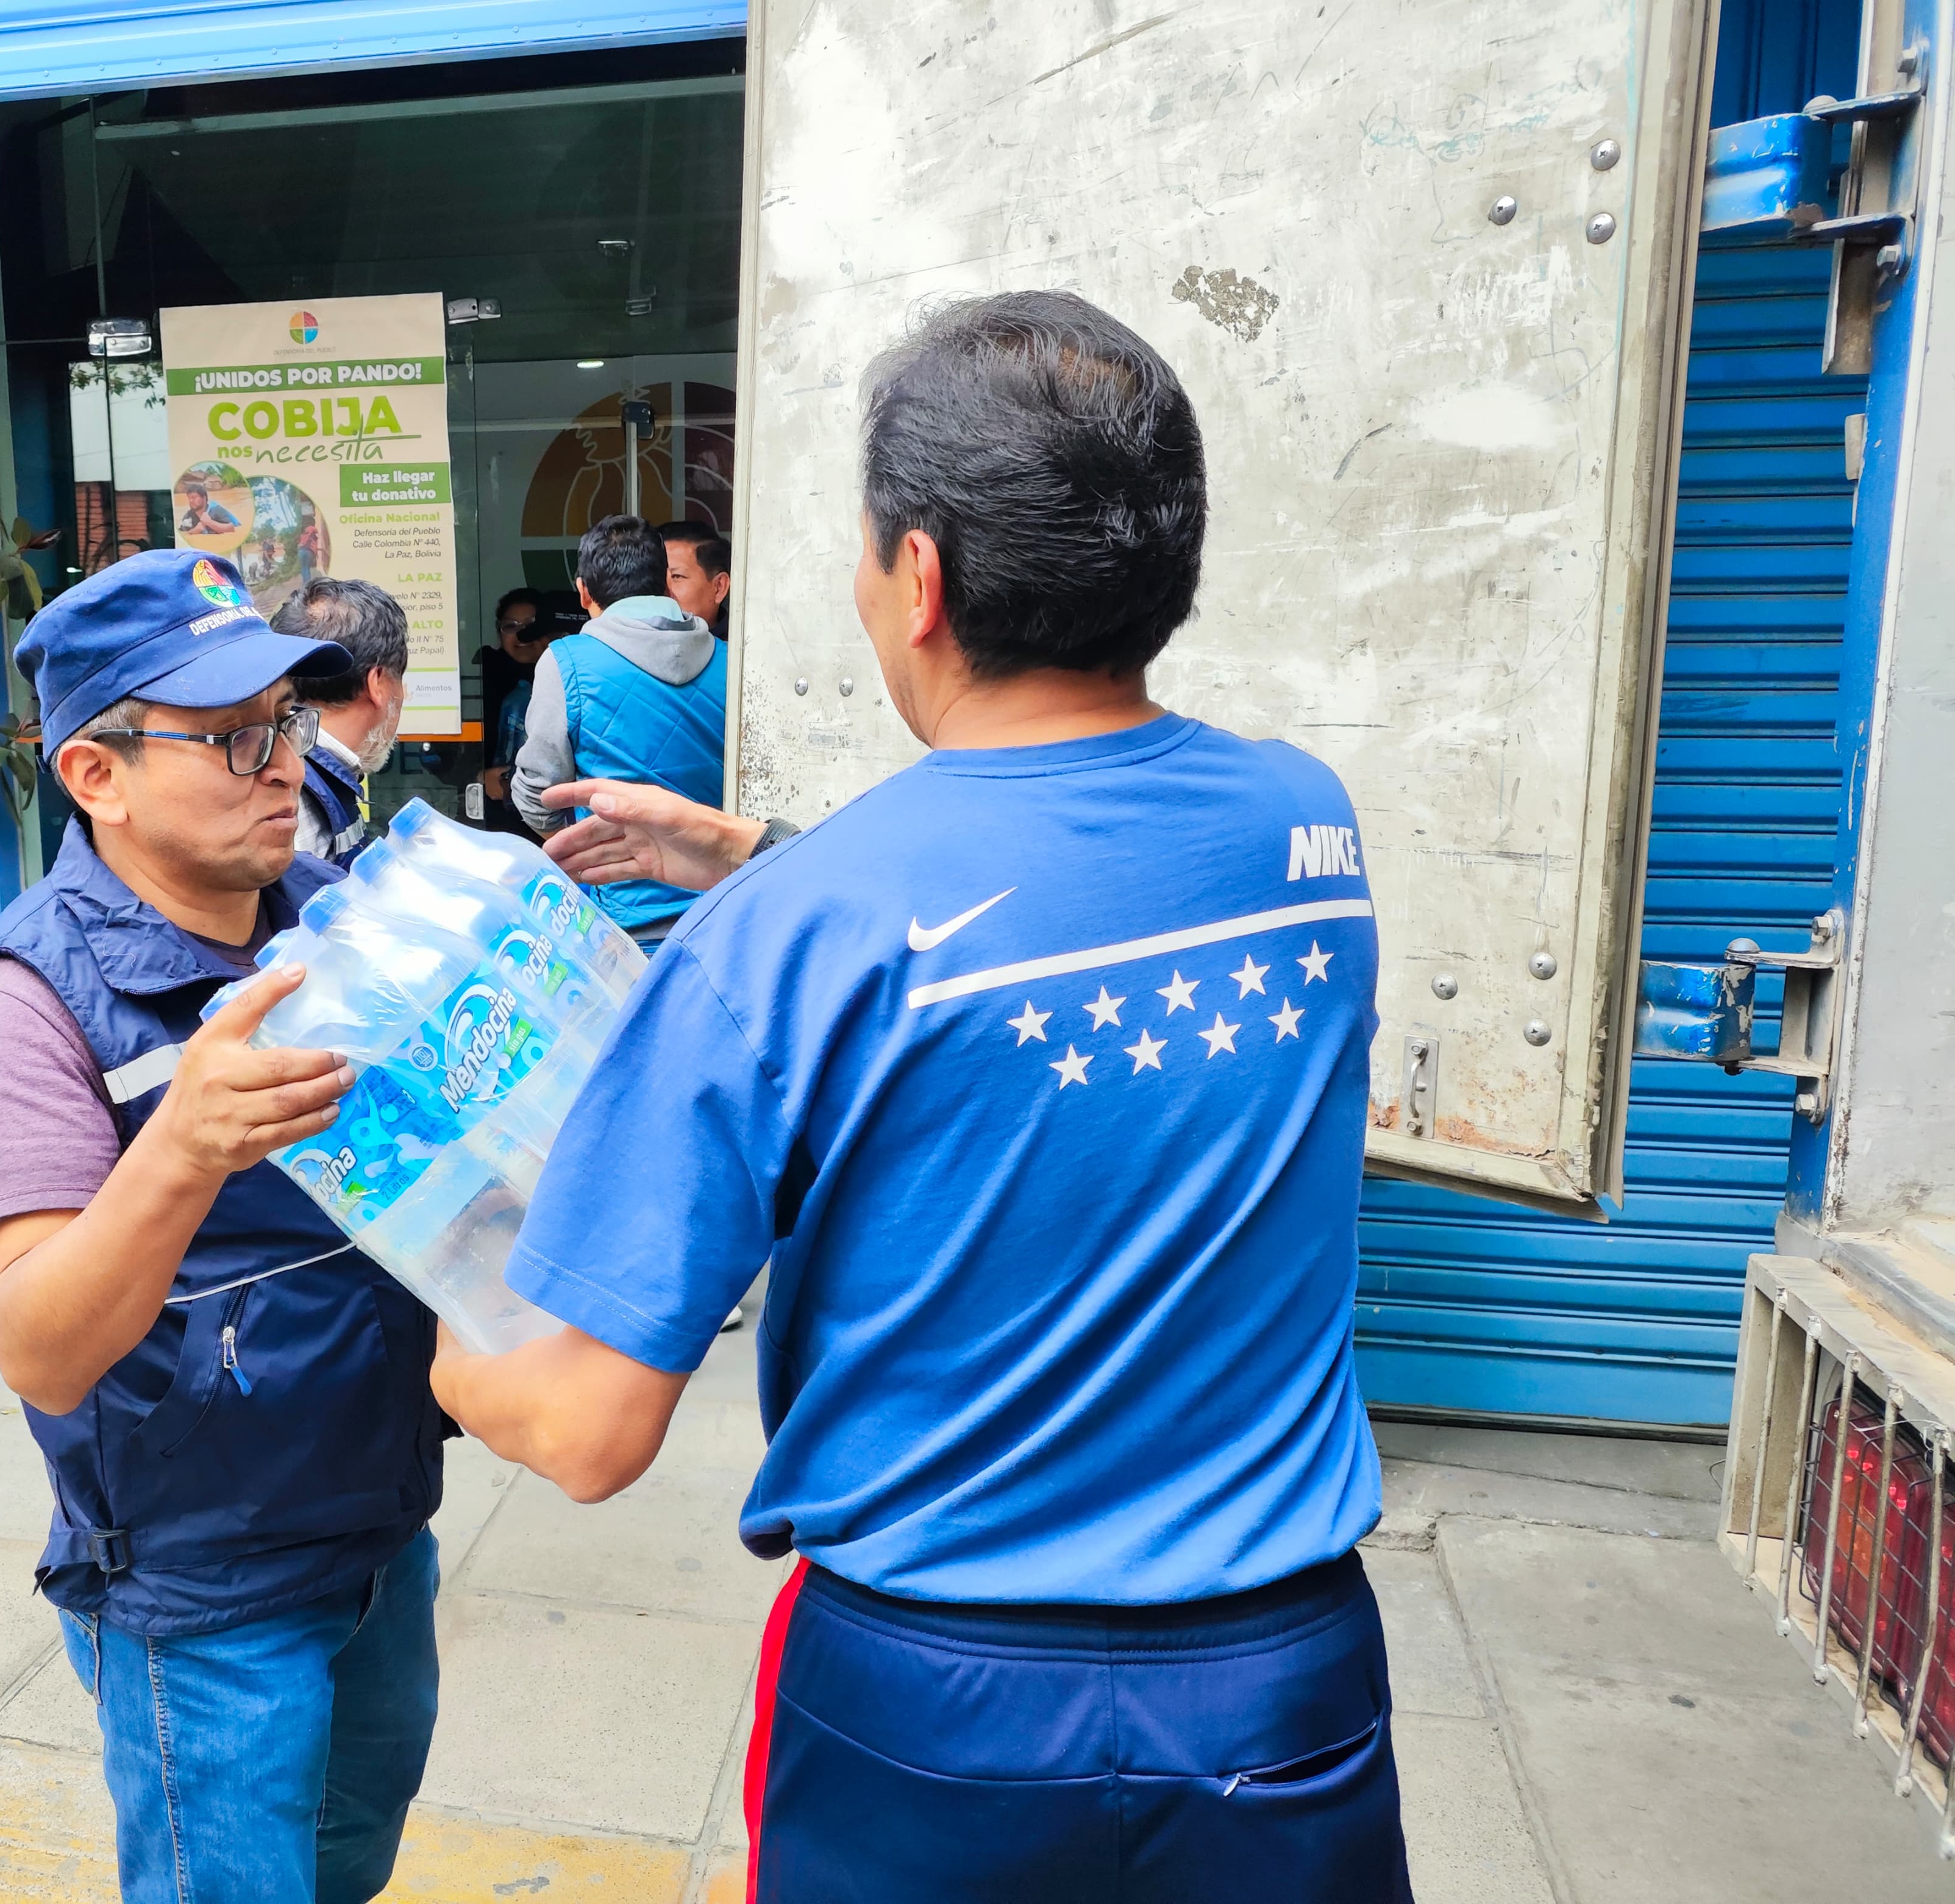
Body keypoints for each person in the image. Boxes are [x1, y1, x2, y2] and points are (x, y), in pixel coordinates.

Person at [432, 291, 1406, 1902]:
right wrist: (745, 853)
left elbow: (585, 1427)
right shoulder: (1306, 832)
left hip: (938, 1715)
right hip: (1283, 1683)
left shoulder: (791, 942)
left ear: (924, 578)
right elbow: (1054, 896)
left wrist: (428, 1290)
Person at [0, 547, 447, 1904]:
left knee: (348, 1866)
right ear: (94, 775)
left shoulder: (335, 924)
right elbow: (40, 1346)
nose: (283, 764)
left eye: (287, 722)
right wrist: (184, 1142)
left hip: (385, 1532)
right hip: (203, 1592)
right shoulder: (19, 1003)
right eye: (227, 738)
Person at [510, 515, 727, 946]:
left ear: (584, 590)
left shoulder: (567, 661)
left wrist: (595, 851)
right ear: (665, 582)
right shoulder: (732, 660)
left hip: (619, 930)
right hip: (723, 914)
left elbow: (538, 796)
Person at [279, 576, 409, 869]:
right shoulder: (292, 801)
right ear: (377, 685)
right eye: (400, 679)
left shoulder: (288, 766)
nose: (405, 695)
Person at [477, 588, 554, 836]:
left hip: (553, 813)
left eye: (531, 625)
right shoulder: (484, 678)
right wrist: (479, 776)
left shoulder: (571, 674)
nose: (522, 634)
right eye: (511, 626)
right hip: (496, 819)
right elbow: (448, 758)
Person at [656, 519, 730, 638]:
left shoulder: (737, 652)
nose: (663, 590)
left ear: (719, 587)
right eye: (657, 575)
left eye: (677, 576)